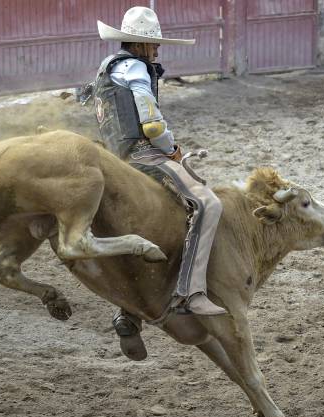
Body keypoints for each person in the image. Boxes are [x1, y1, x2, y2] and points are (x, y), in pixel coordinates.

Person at [92, 7, 227, 359]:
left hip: (114, 159)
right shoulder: (137, 69)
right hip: (142, 156)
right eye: (153, 44)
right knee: (207, 204)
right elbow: (151, 125)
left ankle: (129, 313)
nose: (157, 50)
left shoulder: (106, 69)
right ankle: (190, 291)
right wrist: (173, 150)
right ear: (140, 44)